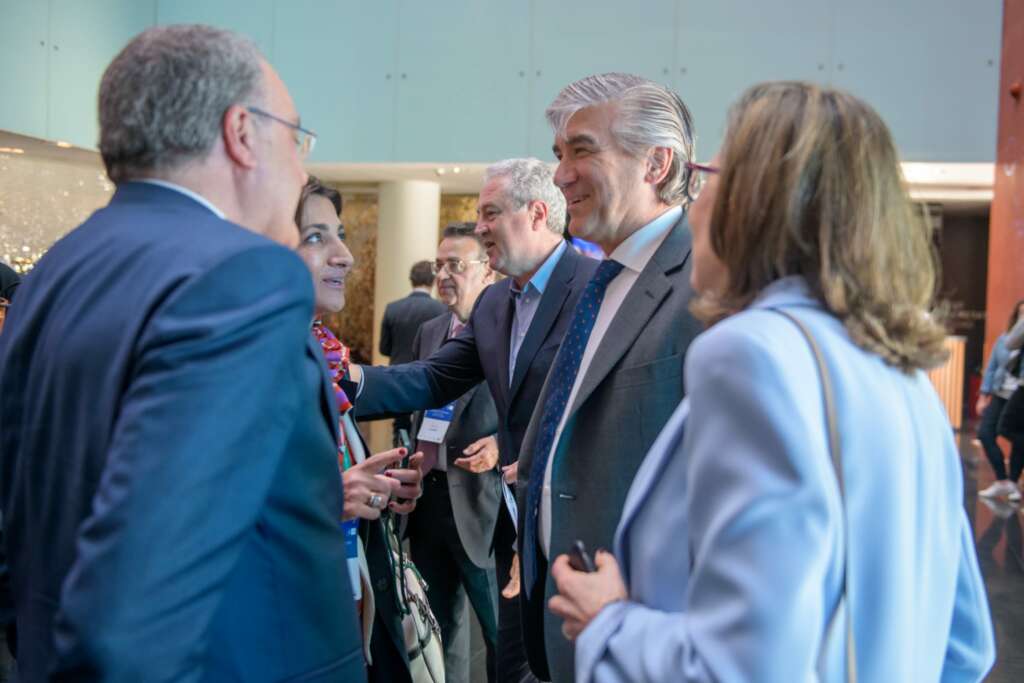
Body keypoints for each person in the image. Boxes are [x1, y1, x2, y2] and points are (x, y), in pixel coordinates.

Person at [549, 81, 995, 682]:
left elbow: (739, 668)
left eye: (710, 177)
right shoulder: (906, 373)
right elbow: (965, 648)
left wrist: (608, 620)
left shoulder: (752, 355)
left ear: (757, 203)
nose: (695, 201)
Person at [0, 25, 365, 682]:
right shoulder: (243, 275)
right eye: (295, 135)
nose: (303, 166)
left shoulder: (55, 271)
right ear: (242, 133)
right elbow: (134, 608)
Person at [351, 157, 596, 683]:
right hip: (510, 531)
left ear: (535, 213)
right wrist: (338, 380)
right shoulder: (493, 305)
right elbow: (429, 380)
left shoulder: (595, 290)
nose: (479, 226)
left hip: (575, 530)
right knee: (510, 667)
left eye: (490, 212)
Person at [516, 73, 703, 682]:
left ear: (656, 163)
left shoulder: (708, 285)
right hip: (571, 623)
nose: (561, 174)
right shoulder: (602, 278)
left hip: (650, 640)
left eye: (583, 150)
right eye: (559, 155)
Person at [295, 177, 426, 683]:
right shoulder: (245, 360)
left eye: (340, 234)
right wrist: (329, 497)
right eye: (315, 237)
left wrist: (375, 488)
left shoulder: (323, 355)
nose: (345, 255)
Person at [407, 222, 501, 683]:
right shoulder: (429, 330)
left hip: (481, 502)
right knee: (438, 631)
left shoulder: (505, 329)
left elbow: (533, 403)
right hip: (428, 499)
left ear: (487, 271)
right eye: (439, 264)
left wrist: (504, 444)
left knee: (500, 633)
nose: (443, 274)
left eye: (456, 265)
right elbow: (419, 405)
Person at [380, 260, 447, 444]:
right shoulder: (442, 309)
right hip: (429, 378)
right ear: (434, 281)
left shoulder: (392, 308)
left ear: (411, 280)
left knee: (399, 427)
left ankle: (398, 463)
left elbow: (383, 348)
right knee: (425, 428)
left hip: (397, 377)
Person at [977, 299, 1024, 500]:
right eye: (1021, 314)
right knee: (986, 433)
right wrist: (983, 395)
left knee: (1015, 433)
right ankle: (1003, 481)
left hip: (1019, 393)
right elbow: (992, 367)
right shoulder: (1005, 339)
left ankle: (1012, 482)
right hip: (1001, 392)